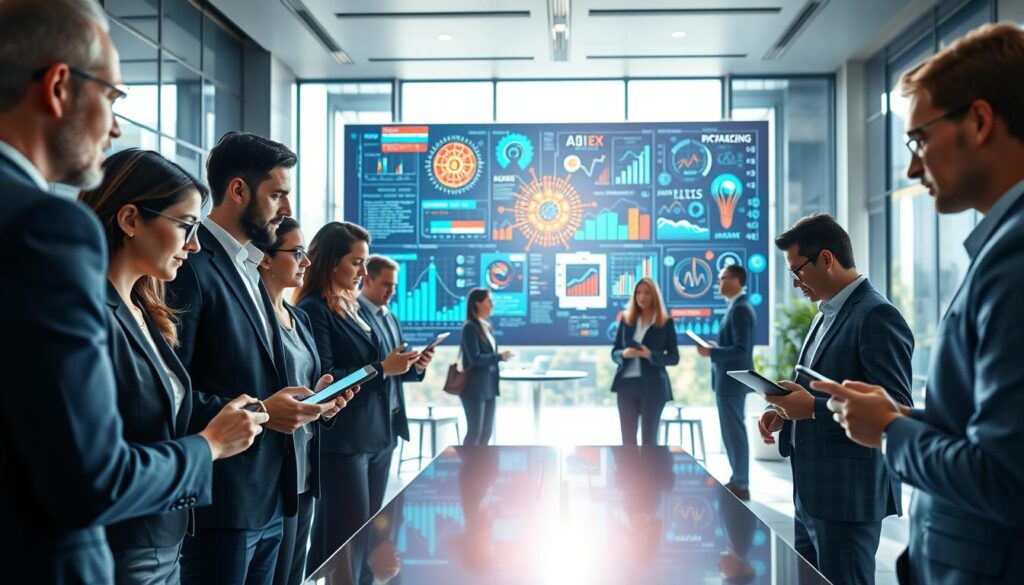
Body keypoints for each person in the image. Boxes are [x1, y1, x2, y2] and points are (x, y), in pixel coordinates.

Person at [0, 2, 268, 582]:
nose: (116, 126)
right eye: (115, 98)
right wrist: (207, 448)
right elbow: (88, 480)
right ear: (59, 86)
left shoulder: (143, 307)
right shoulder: (43, 229)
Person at [815, 23, 1024, 584]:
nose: (912, 168)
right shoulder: (1001, 247)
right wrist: (905, 418)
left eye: (920, 140)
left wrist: (890, 430)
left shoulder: (1014, 257)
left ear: (979, 121)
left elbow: (1006, 478)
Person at [79, 148, 274, 584]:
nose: (195, 244)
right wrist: (210, 445)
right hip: (120, 547)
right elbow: (101, 463)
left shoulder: (146, 309)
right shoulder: (87, 317)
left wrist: (236, 414)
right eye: (186, 226)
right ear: (130, 221)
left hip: (165, 537)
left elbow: (156, 414)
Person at [166, 132, 343, 585]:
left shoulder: (247, 267)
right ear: (239, 190)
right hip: (220, 504)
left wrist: (302, 403)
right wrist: (264, 412)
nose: (284, 209)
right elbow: (172, 391)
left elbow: (261, 374)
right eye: (277, 194)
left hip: (268, 497)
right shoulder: (190, 266)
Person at [758, 213, 913, 585]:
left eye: (798, 271)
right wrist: (781, 407)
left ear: (826, 259)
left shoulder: (877, 316)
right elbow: (810, 388)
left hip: (848, 496)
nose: (795, 283)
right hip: (811, 491)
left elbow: (894, 409)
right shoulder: (824, 314)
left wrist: (811, 409)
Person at [296, 222, 422, 573]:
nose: (362, 273)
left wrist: (393, 366)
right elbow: (325, 376)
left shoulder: (349, 306)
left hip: (375, 436)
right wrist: (382, 368)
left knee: (363, 533)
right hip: (345, 441)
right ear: (332, 261)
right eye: (356, 263)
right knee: (343, 538)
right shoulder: (314, 308)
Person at [256, 218, 357, 585]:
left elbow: (306, 387)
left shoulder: (298, 318)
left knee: (294, 575)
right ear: (266, 259)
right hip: (271, 474)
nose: (306, 261)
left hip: (304, 470)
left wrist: (324, 402)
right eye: (297, 252)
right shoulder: (254, 318)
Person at [697, 264, 756, 501]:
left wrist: (713, 353)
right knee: (730, 433)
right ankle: (737, 479)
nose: (719, 283)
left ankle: (741, 482)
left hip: (732, 382)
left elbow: (742, 350)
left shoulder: (741, 309)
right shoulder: (734, 307)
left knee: (735, 434)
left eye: (722, 278)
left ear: (736, 280)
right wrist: (716, 348)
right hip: (726, 381)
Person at [610, 278, 679, 446]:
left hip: (653, 387)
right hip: (626, 385)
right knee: (627, 440)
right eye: (639, 293)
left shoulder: (665, 323)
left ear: (654, 296)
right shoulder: (626, 320)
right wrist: (624, 354)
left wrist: (650, 355)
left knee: (649, 440)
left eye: (647, 293)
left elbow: (674, 357)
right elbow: (614, 352)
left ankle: (649, 473)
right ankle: (628, 473)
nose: (642, 297)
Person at [459, 288, 513, 446]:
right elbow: (474, 359)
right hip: (474, 388)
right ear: (478, 303)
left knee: (486, 433)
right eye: (489, 301)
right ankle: (467, 470)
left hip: (489, 387)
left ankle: (481, 469)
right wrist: (499, 357)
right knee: (474, 433)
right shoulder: (470, 327)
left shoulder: (487, 326)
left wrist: (499, 358)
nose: (492, 304)